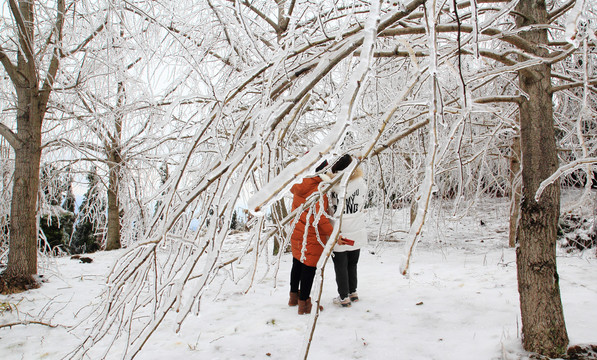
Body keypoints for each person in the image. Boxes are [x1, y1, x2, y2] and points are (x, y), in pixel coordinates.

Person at [288, 160, 334, 315]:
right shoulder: (319, 188)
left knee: (297, 263)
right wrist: (333, 233)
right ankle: (304, 305)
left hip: (297, 231)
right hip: (312, 234)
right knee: (309, 268)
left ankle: (293, 297)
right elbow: (320, 217)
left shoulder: (300, 184)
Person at [329, 154, 367, 307]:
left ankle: (343, 297)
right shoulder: (360, 183)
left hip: (339, 230)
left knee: (340, 264)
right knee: (352, 263)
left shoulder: (332, 185)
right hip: (356, 227)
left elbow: (329, 206)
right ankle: (353, 292)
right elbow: (363, 201)